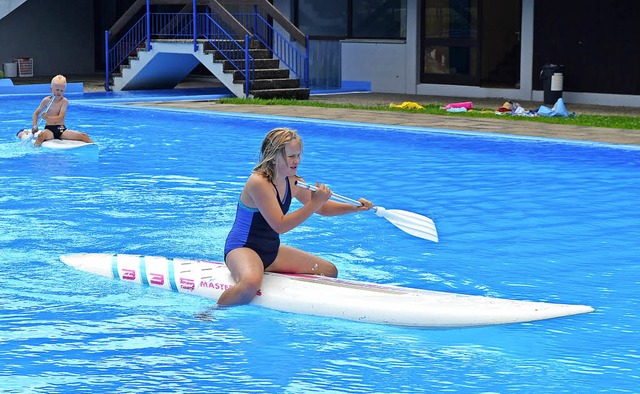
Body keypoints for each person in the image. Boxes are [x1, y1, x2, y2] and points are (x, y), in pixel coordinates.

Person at [219, 127, 373, 306]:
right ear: (274, 157)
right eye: (291, 156)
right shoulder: (259, 183)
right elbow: (280, 225)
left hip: (271, 250)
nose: (297, 161)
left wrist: (354, 207)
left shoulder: (293, 181)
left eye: (298, 155)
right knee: (250, 284)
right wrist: (315, 202)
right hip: (243, 248)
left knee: (329, 271)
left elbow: (323, 208)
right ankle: (210, 313)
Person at [29, 74, 93, 147]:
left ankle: (95, 146)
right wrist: (34, 126)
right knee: (41, 136)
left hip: (61, 129)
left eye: (61, 90)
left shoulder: (64, 101)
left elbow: (61, 117)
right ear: (51, 89)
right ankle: (35, 151)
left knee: (83, 136)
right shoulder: (46, 100)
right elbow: (36, 113)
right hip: (49, 129)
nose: (59, 92)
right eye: (57, 90)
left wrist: (47, 118)